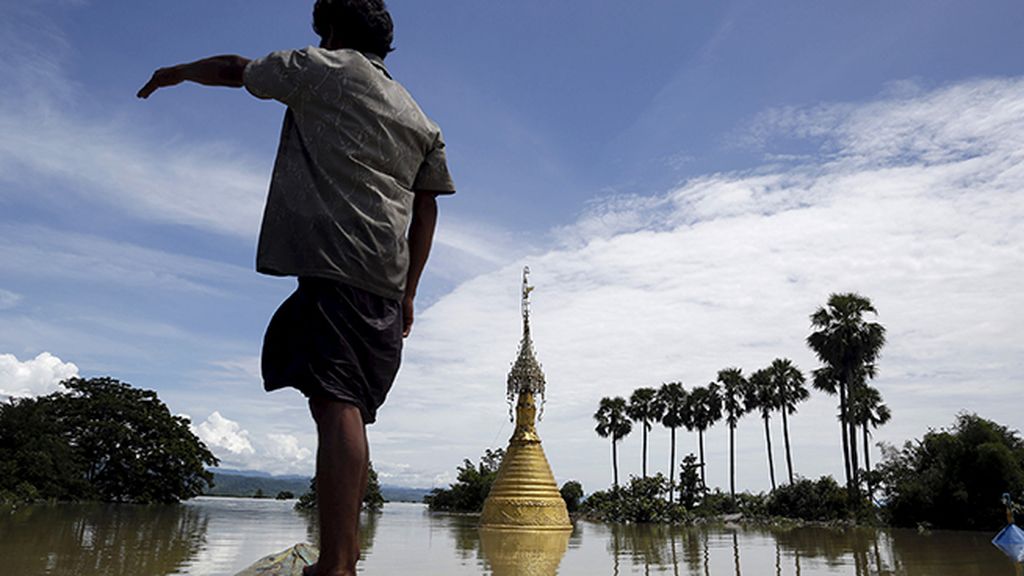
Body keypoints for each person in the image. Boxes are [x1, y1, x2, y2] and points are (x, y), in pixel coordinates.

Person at [138, 1, 455, 574]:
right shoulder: (418, 116)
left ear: (331, 32)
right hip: (385, 281)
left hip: (336, 263)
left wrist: (176, 73)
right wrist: (409, 291)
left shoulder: (321, 68)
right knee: (350, 406)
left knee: (335, 404)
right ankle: (347, 554)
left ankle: (335, 564)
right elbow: (427, 207)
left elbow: (238, 68)